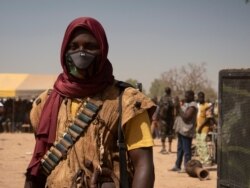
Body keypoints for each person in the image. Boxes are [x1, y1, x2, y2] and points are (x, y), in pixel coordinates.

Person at [24, 17, 156, 188]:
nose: (81, 53)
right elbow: (38, 164)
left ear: (102, 50)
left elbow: (143, 165)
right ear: (64, 50)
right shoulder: (45, 103)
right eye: (74, 47)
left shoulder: (128, 101)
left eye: (90, 46)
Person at [170, 90, 197, 172]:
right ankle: (177, 165)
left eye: (187, 96)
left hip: (187, 130)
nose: (185, 97)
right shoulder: (186, 104)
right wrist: (176, 106)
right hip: (181, 129)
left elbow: (186, 117)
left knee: (186, 150)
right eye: (185, 96)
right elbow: (177, 114)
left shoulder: (193, 106)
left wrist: (179, 108)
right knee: (180, 149)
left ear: (192, 96)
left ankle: (187, 167)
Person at [196, 91, 215, 166]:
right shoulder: (198, 106)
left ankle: (207, 161)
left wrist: (200, 127)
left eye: (201, 97)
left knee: (203, 143)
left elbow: (208, 118)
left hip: (204, 128)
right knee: (199, 144)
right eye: (199, 97)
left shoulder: (207, 106)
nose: (200, 99)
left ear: (203, 97)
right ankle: (202, 160)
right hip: (198, 128)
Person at [157, 87, 175, 154]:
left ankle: (163, 147)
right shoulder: (172, 99)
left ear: (165, 91)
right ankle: (170, 148)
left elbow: (158, 108)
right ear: (170, 91)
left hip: (163, 119)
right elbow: (174, 109)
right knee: (170, 133)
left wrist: (157, 116)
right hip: (170, 119)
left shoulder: (162, 98)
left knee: (163, 133)